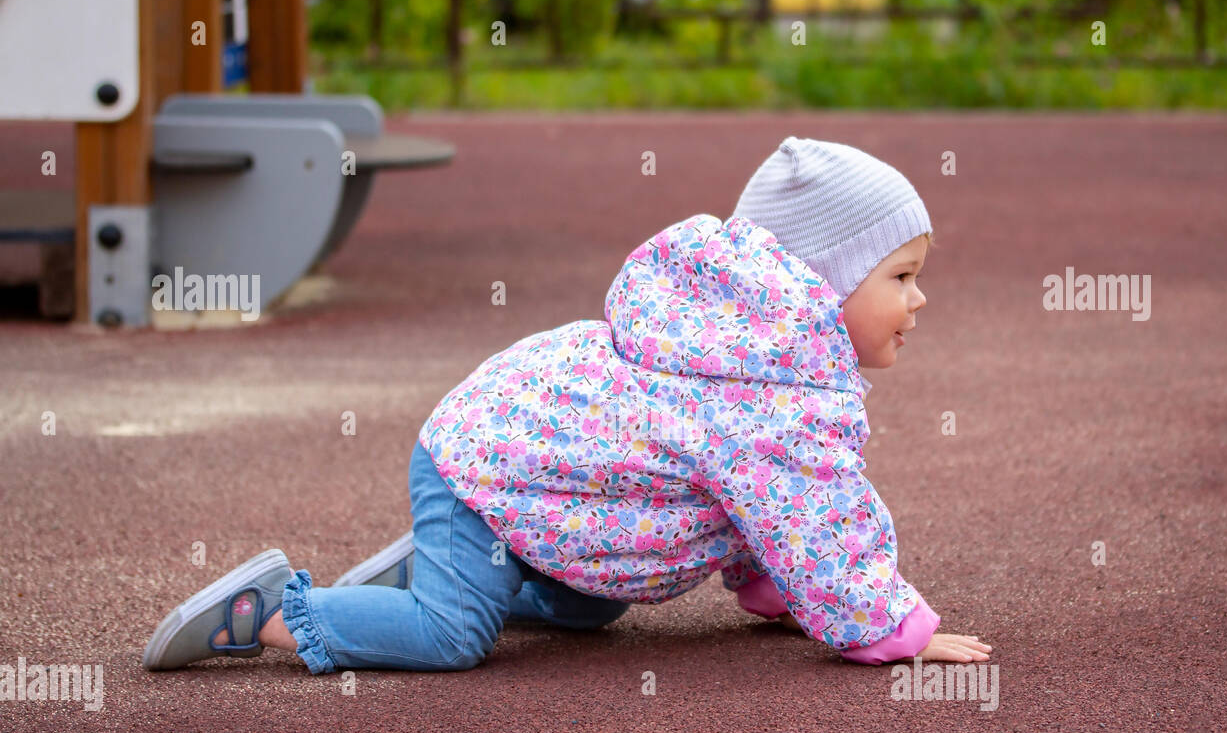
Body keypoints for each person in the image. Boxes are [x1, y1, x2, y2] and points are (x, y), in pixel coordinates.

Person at [144, 136, 991, 673]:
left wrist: (780, 591)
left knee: (592, 603)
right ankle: (269, 616)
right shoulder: (763, 394)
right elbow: (816, 518)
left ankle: (452, 567)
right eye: (901, 277)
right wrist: (889, 627)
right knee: (449, 638)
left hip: (532, 478)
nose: (919, 300)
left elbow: (769, 510)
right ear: (819, 290)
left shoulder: (761, 370)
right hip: (483, 467)